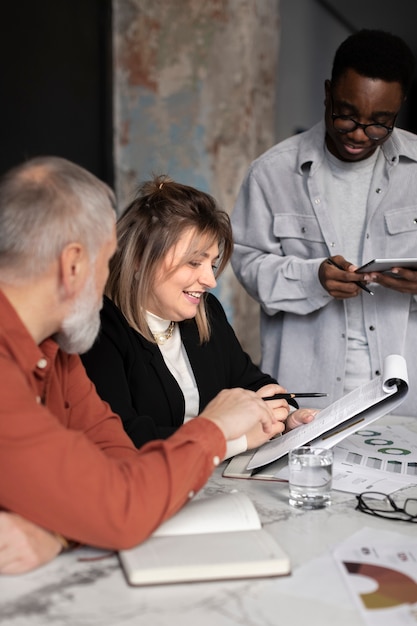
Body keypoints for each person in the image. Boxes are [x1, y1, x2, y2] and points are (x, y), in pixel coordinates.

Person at [0, 156, 279, 575]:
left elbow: (121, 472)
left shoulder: (57, 353)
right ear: (73, 264)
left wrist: (61, 532)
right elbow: (122, 506)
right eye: (106, 259)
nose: (108, 279)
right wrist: (217, 429)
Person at [231, 29, 417, 414]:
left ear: (399, 109)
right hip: (309, 396)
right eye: (346, 115)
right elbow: (247, 264)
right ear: (328, 92)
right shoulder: (272, 173)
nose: (360, 134)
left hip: (406, 395)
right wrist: (312, 278)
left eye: (380, 123)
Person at [81, 176, 316, 458]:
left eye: (212, 264)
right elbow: (124, 439)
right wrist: (237, 441)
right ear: (140, 260)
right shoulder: (99, 331)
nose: (210, 280)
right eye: (194, 262)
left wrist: (285, 418)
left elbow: (249, 382)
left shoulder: (206, 312)